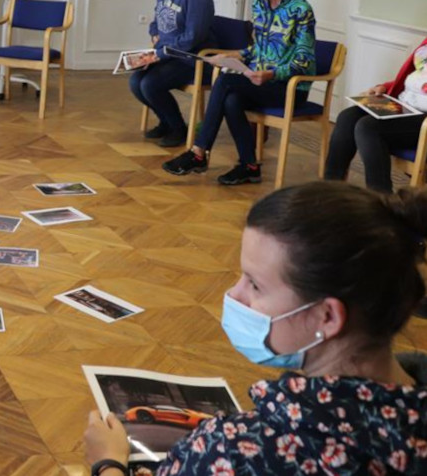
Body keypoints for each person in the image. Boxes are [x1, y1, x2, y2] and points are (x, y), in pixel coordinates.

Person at [84, 181, 427, 475]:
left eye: (255, 285)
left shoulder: (235, 449)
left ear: (328, 317)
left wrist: (108, 463)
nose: (234, 295)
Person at [162, 0, 315, 185]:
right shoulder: (260, 3)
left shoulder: (300, 9)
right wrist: (231, 56)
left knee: (225, 81)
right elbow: (259, 49)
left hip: (287, 86)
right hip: (258, 80)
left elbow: (303, 60)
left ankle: (199, 151)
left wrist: (272, 73)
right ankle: (249, 166)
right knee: (231, 99)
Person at [128, 0, 215, 147]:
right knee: (136, 82)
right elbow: (158, 16)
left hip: (192, 58)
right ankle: (166, 122)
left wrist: (161, 53)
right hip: (167, 53)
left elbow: (194, 36)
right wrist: (154, 32)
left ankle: (178, 128)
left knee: (150, 84)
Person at [324, 39, 427, 193]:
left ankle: (382, 201)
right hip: (406, 105)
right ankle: (331, 189)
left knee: (368, 127)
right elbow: (415, 77)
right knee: (348, 117)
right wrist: (385, 87)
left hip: (423, 118)